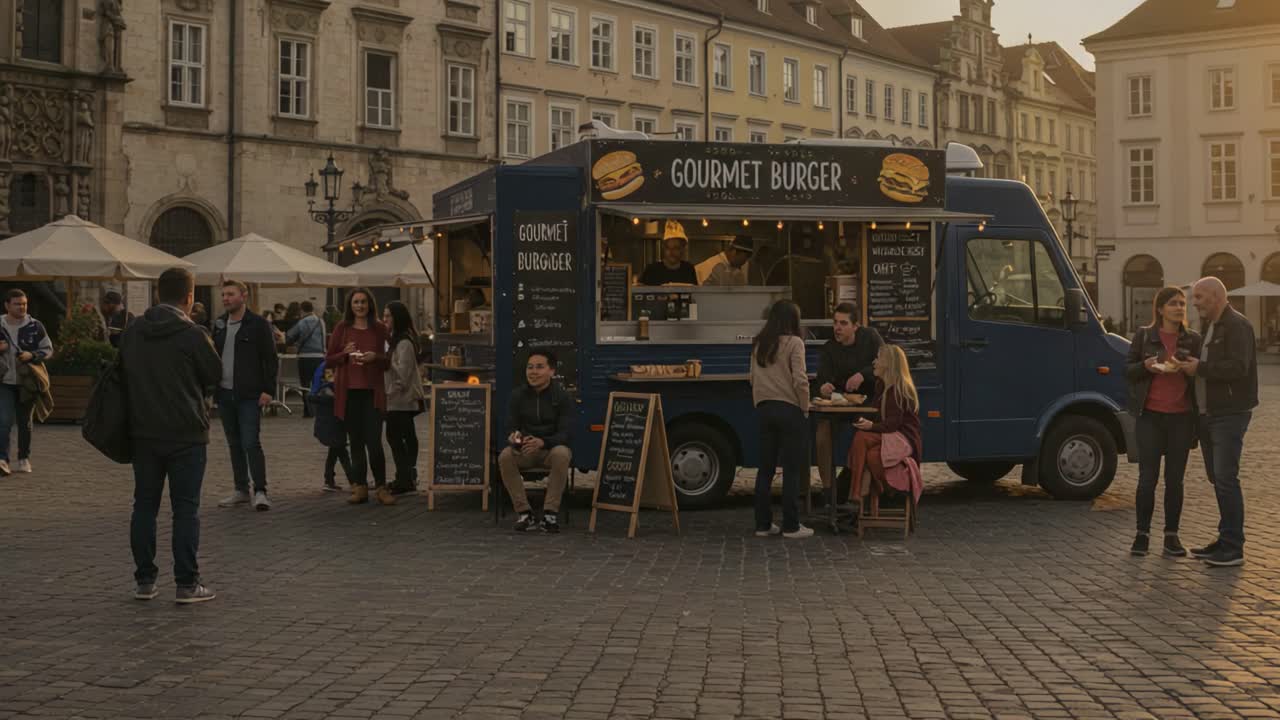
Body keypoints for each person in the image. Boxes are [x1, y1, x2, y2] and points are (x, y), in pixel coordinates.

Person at [120, 267, 222, 604]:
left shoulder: (133, 331)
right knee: (185, 509)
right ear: (190, 297)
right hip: (186, 433)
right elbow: (214, 372)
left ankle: (145, 581)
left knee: (144, 506)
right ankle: (186, 583)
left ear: (157, 293)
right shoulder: (192, 334)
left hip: (144, 431)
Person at [1184, 277, 1259, 568]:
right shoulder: (1212, 325)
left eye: (1200, 297)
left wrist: (1199, 367)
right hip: (1209, 414)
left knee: (1226, 478)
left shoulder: (1237, 325)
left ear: (1216, 296)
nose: (1195, 302)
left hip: (1229, 414)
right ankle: (1225, 538)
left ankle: (1233, 547)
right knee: (1218, 478)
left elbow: (1238, 368)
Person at [1124, 286, 1201, 558]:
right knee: (1147, 479)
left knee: (1175, 480)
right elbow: (1128, 371)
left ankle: (1171, 537)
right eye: (1173, 304)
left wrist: (1192, 368)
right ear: (1160, 309)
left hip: (1181, 418)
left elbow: (1200, 377)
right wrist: (1145, 366)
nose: (1180, 307)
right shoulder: (1144, 336)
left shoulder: (1193, 339)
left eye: (1182, 303)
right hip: (1151, 417)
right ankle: (1142, 535)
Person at [212, 280, 279, 511]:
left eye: (230, 294)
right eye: (223, 295)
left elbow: (271, 359)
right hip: (224, 393)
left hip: (249, 394)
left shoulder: (258, 324)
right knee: (234, 443)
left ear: (243, 296)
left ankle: (260, 491)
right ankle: (241, 489)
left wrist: (268, 390)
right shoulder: (219, 324)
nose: (225, 298)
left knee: (251, 442)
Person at [749, 300, 813, 539]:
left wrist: (759, 402)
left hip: (764, 410)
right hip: (789, 410)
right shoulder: (795, 343)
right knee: (792, 470)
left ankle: (762, 524)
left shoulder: (759, 343)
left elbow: (752, 378)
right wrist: (805, 407)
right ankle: (791, 525)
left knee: (765, 469)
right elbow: (800, 379)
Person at [325, 288, 394, 505]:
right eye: (356, 302)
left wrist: (376, 357)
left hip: (372, 393)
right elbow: (329, 359)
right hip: (349, 393)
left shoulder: (380, 329)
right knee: (355, 441)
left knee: (374, 441)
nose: (360, 306)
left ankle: (381, 486)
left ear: (369, 304)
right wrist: (344, 354)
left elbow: (389, 359)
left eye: (363, 302)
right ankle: (360, 486)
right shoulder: (342, 328)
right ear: (350, 306)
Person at [814, 302, 884, 505]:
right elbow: (821, 380)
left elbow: (887, 361)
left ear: (856, 326)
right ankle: (828, 489)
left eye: (843, 323)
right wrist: (824, 387)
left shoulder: (870, 337)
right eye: (835, 322)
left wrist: (863, 375)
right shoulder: (829, 349)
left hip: (869, 406)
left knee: (861, 438)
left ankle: (850, 488)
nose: (837, 327)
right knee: (821, 433)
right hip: (839, 406)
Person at [500, 349, 574, 533]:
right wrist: (517, 440)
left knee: (562, 453)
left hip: (550, 449)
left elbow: (566, 433)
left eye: (539, 367)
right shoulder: (517, 396)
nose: (533, 372)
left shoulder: (562, 396)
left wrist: (543, 442)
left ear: (552, 371)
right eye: (530, 367)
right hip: (525, 449)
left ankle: (550, 513)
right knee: (505, 456)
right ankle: (524, 513)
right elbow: (511, 427)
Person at [849, 344, 923, 508]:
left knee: (862, 436)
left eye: (878, 359)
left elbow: (893, 424)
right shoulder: (881, 386)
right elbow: (878, 416)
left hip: (903, 438)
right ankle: (884, 488)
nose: (874, 362)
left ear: (889, 363)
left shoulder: (899, 389)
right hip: (890, 436)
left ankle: (855, 492)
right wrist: (863, 419)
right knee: (872, 455)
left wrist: (871, 426)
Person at [0, 289, 53, 475]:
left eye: (24, 303)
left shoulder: (35, 326)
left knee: (25, 423)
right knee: (4, 420)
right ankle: (2, 459)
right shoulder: (0, 325)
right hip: (4, 381)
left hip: (27, 382)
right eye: (17, 304)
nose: (22, 307)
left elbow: (48, 349)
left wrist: (32, 355)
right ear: (7, 305)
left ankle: (24, 458)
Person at [384, 301, 425, 495]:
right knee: (405, 436)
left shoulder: (404, 342)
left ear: (397, 318)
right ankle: (406, 476)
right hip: (399, 398)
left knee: (396, 436)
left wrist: (390, 390)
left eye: (388, 316)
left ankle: (404, 477)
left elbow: (403, 373)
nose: (385, 320)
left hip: (401, 399)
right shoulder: (395, 339)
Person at [310, 362, 353, 493]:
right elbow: (332, 385)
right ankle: (354, 480)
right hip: (331, 415)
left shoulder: (326, 365)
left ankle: (329, 480)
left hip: (330, 415)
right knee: (340, 448)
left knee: (336, 449)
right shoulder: (331, 366)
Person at [285, 300, 326, 417]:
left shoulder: (302, 322)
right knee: (318, 384)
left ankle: (308, 411)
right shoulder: (321, 321)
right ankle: (319, 409)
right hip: (320, 357)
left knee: (305, 384)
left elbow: (290, 336)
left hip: (306, 357)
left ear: (302, 310)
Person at [639, 220, 698, 286]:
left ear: (682, 249)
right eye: (668, 247)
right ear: (663, 248)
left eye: (676, 248)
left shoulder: (688, 269)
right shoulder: (651, 270)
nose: (671, 251)